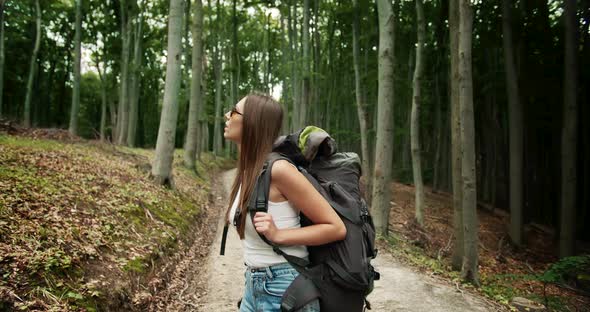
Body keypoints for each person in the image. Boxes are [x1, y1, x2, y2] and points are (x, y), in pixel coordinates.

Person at [223, 92, 347, 312]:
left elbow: (335, 227)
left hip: (285, 288)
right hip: (254, 286)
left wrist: (279, 235)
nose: (227, 115)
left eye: (234, 111)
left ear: (253, 122)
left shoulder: (279, 170)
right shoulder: (249, 170)